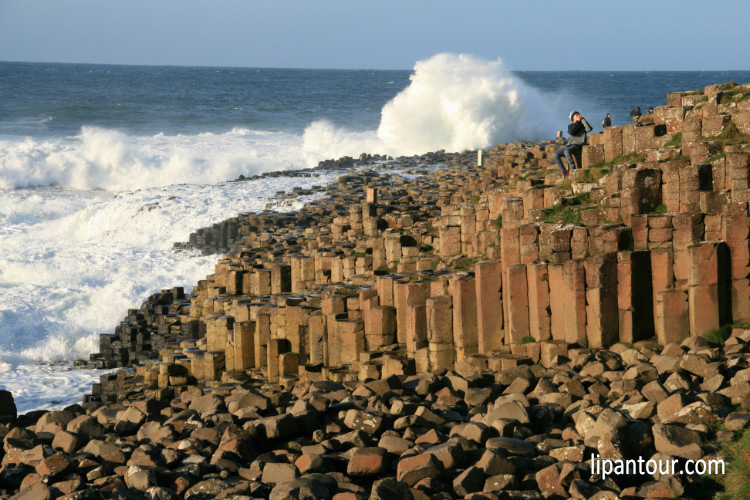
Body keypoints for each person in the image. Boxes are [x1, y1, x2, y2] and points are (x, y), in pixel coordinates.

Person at [553, 111, 592, 177]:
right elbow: (572, 132)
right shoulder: (571, 126)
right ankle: (564, 171)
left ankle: (574, 170)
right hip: (570, 145)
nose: (578, 115)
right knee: (555, 154)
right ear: (572, 118)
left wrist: (583, 119)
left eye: (578, 114)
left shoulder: (582, 125)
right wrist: (577, 122)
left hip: (578, 145)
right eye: (576, 115)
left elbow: (589, 129)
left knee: (566, 151)